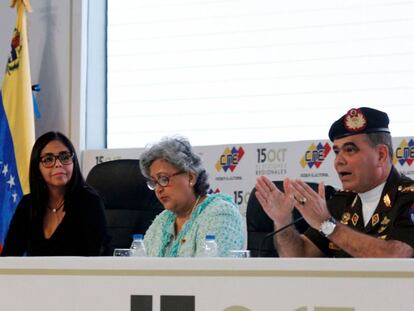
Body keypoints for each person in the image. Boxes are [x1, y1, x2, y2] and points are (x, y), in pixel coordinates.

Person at [256, 107, 414, 257]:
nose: (338, 161)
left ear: (381, 155)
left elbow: (395, 255)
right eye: (337, 152)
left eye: (350, 150)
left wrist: (328, 225)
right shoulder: (341, 201)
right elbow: (299, 255)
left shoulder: (408, 198)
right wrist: (282, 221)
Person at [1, 131, 107, 256]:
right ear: (37, 167)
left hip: (77, 275)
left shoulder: (89, 202)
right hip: (36, 275)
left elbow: (94, 258)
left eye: (65, 157)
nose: (58, 164)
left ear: (73, 162)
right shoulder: (28, 204)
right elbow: (9, 256)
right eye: (48, 159)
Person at [139, 136, 245, 257]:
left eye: (164, 179)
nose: (158, 189)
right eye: (154, 182)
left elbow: (212, 272)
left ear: (191, 177)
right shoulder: (162, 221)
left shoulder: (221, 214)